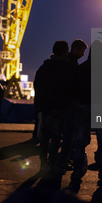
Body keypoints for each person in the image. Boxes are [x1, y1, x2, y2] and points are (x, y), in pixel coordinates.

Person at [68, 40, 102, 193]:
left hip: (83, 108)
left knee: (80, 142)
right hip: (101, 107)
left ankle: (77, 172)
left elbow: (73, 89)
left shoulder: (81, 68)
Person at [34, 41, 73, 173]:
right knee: (56, 137)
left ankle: (43, 163)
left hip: (46, 107)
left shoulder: (43, 67)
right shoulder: (65, 67)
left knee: (45, 136)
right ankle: (51, 163)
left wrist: (39, 104)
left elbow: (37, 86)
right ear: (63, 51)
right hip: (59, 107)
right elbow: (68, 87)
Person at [60, 39, 88, 170]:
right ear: (76, 49)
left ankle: (64, 159)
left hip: (66, 102)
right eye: (82, 51)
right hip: (71, 103)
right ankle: (63, 160)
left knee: (68, 133)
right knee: (69, 134)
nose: (83, 54)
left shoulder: (70, 62)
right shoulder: (71, 64)